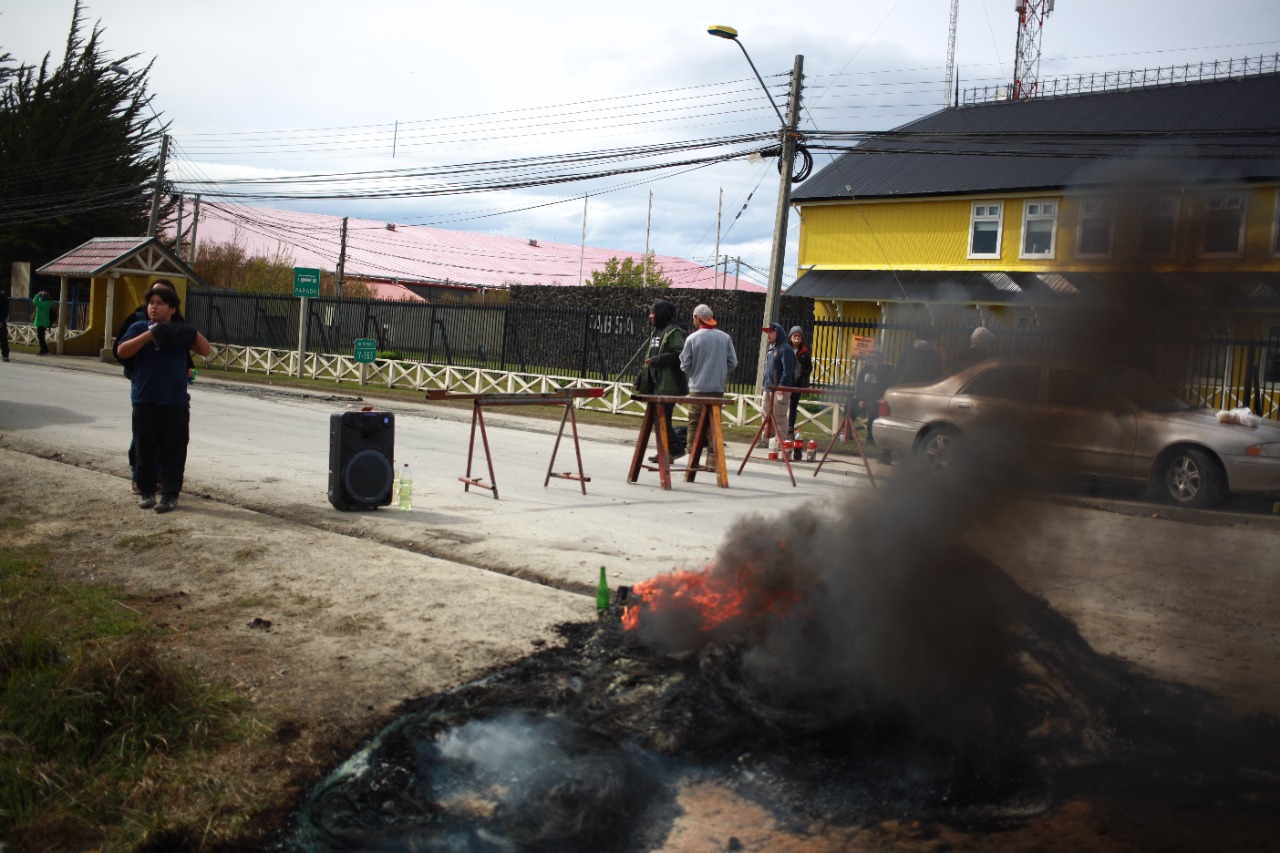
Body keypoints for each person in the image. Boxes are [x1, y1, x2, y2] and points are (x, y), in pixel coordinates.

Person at [115, 283, 212, 513]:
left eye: (160, 304)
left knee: (174, 450)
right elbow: (122, 351)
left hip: (175, 401)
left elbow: (205, 350)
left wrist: (189, 331)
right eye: (151, 303)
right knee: (144, 447)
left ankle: (170, 494)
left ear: (172, 308)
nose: (153, 307)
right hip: (146, 397)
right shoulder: (140, 327)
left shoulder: (179, 331)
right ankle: (147, 491)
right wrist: (150, 334)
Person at [679, 304, 738, 467]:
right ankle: (713, 461)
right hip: (717, 390)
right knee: (714, 425)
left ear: (697, 318)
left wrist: (694, 372)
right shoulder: (724, 337)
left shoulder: (692, 338)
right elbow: (733, 362)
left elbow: (684, 364)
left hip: (697, 389)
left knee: (694, 424)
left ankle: (693, 459)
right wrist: (720, 371)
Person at [635, 299, 687, 462]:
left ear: (661, 314)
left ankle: (676, 449)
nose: (650, 316)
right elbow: (649, 357)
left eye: (653, 313)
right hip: (656, 382)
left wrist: (658, 360)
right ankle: (665, 451)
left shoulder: (674, 332)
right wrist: (641, 377)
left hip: (669, 383)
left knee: (663, 418)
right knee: (658, 419)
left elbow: (679, 354)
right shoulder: (656, 332)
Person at [761, 322, 796, 447]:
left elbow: (788, 370)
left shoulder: (785, 349)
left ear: (778, 333)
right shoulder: (772, 349)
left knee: (779, 415)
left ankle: (781, 441)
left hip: (779, 388)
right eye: (767, 333)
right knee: (765, 413)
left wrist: (782, 386)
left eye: (771, 332)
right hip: (769, 387)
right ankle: (767, 440)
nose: (768, 335)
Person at [854, 350, 891, 446]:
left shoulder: (886, 370)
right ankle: (848, 432)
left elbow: (886, 385)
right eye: (871, 359)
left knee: (874, 412)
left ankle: (870, 437)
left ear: (880, 360)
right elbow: (860, 385)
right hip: (864, 398)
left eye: (875, 359)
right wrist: (861, 399)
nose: (873, 361)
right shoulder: (865, 369)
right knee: (850, 406)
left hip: (878, 399)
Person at [786, 326, 812, 449]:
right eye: (794, 336)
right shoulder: (786, 349)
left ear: (801, 339)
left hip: (798, 382)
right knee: (782, 405)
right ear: (790, 337)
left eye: (798, 336)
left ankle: (790, 429)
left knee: (793, 406)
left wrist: (803, 373)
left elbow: (809, 367)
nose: (796, 339)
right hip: (786, 381)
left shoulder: (805, 352)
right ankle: (781, 428)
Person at [32, 289, 53, 355]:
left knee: (41, 337)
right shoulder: (49, 303)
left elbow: (34, 301)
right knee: (41, 337)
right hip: (45, 322)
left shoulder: (41, 304)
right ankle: (43, 350)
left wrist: (38, 294)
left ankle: (45, 351)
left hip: (40, 322)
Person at [0, 289, 10, 362]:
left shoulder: (2, 296)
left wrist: (1, 320)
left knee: (3, 338)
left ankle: (5, 355)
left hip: (1, 320)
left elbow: (5, 310)